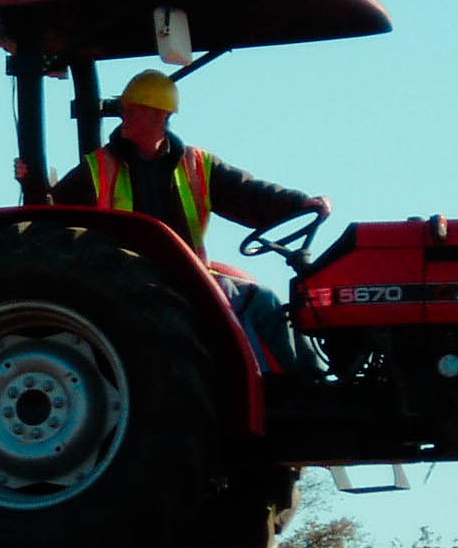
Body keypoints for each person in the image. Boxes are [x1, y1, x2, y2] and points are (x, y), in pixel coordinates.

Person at [18, 69, 329, 373]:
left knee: (262, 300)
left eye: (133, 112)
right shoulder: (98, 168)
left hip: (188, 274)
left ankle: (307, 385)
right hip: (130, 280)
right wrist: (33, 187)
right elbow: (53, 217)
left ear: (159, 117)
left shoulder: (197, 165)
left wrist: (299, 204)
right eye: (125, 111)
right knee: (231, 309)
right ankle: (257, 392)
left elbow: (248, 195)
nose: (124, 118)